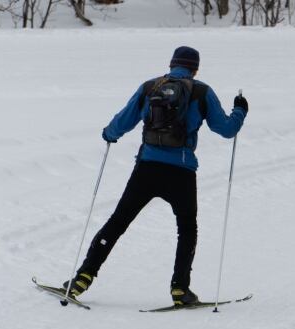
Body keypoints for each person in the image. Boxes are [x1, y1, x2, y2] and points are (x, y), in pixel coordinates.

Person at [61, 46, 248, 306]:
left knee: (118, 222)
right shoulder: (202, 91)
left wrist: (109, 134)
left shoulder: (150, 87)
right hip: (181, 172)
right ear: (195, 68)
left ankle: (82, 278)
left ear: (171, 64)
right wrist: (240, 110)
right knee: (187, 229)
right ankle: (181, 290)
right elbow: (226, 130)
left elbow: (123, 121)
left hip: (146, 168)